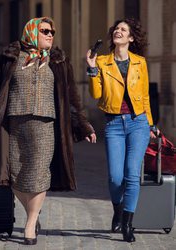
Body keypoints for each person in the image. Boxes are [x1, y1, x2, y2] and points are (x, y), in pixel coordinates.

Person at [0, 17, 96, 245]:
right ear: (31, 32)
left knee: (39, 174)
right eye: (45, 31)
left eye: (52, 31)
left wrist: (83, 124)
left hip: (46, 125)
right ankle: (34, 212)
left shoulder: (58, 61)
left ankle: (30, 223)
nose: (50, 34)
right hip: (13, 124)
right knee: (15, 174)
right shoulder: (10, 58)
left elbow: (71, 97)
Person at [86, 18, 157, 242]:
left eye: (123, 29)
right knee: (116, 178)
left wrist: (151, 124)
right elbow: (96, 95)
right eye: (116, 29)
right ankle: (118, 209)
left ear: (131, 38)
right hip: (114, 124)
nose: (118, 31)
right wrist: (91, 69)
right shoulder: (103, 61)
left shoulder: (140, 62)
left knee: (132, 174)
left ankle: (128, 224)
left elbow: (145, 96)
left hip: (138, 123)